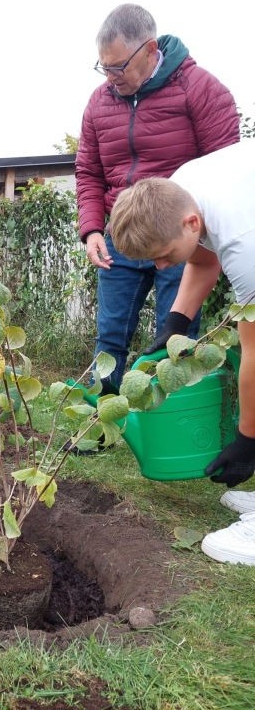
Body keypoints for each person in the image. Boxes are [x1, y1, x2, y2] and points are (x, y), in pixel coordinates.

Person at [75, 3, 239, 398]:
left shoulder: (200, 89)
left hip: (175, 234)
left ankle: (169, 416)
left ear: (150, 50)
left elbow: (227, 169)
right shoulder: (99, 103)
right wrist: (92, 229)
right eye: (105, 68)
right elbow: (88, 172)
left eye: (119, 67)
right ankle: (101, 418)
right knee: (110, 332)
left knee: (175, 332)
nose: (111, 78)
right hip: (123, 233)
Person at [109, 138, 255, 564]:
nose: (162, 267)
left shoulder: (245, 242)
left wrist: (248, 440)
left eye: (163, 256)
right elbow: (204, 254)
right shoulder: (181, 189)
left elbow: (254, 355)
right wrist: (175, 324)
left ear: (189, 222)